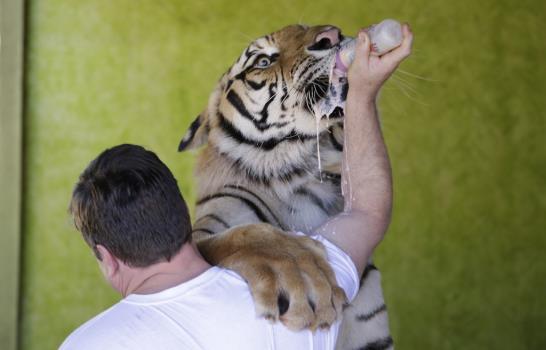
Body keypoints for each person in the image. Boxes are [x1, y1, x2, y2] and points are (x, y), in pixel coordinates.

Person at [60, 25, 413, 350]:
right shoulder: (320, 274)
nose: (324, 37)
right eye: (263, 61)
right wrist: (363, 95)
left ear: (106, 258)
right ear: (183, 213)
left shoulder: (87, 343)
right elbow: (368, 211)